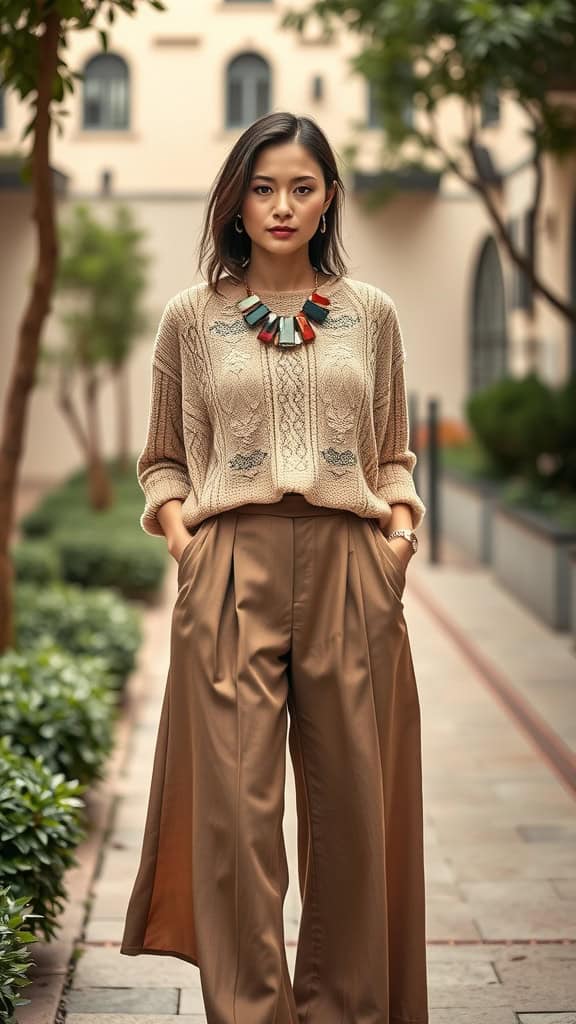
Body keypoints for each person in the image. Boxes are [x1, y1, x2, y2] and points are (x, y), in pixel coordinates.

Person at [120, 110, 429, 1024]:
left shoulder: (370, 314)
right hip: (229, 568)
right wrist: (187, 543)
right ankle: (250, 1013)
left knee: (352, 817)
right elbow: (163, 459)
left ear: (329, 195)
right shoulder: (192, 317)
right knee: (236, 821)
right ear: (236, 199)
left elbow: (393, 455)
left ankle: (345, 1010)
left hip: (349, 567)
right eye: (263, 187)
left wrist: (396, 544)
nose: (282, 205)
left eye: (302, 186)